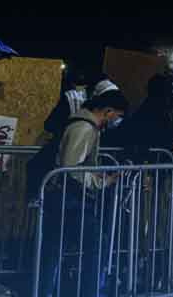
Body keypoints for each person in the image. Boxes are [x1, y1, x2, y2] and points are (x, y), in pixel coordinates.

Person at [38, 89, 127, 297]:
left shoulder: (83, 124)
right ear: (108, 111)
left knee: (54, 248)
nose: (118, 121)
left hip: (64, 194)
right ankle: (90, 292)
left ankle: (45, 291)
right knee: (95, 243)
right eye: (118, 116)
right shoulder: (85, 128)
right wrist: (102, 181)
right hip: (70, 197)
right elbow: (72, 168)